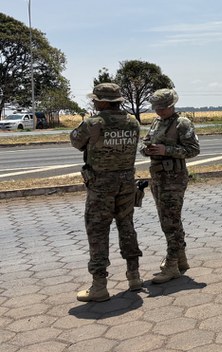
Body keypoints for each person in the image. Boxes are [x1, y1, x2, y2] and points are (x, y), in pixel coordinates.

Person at [70, 83, 142, 302]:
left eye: (95, 99)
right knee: (126, 226)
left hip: (101, 185)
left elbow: (76, 141)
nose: (93, 102)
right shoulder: (133, 122)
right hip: (126, 183)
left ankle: (99, 286)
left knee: (98, 232)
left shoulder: (93, 123)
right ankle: (134, 277)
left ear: (102, 102)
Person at [139, 88, 200, 283]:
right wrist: (147, 149)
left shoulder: (182, 123)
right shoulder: (157, 122)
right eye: (156, 108)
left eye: (162, 108)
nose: (159, 111)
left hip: (174, 178)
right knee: (168, 220)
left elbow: (193, 150)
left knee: (170, 222)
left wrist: (167, 150)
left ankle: (172, 265)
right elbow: (145, 143)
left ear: (172, 106)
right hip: (158, 177)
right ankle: (180, 259)